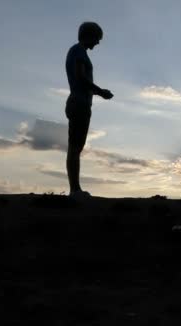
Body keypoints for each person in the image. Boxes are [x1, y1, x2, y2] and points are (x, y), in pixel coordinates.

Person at [65, 22, 113, 197]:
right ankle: (75, 190)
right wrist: (101, 92)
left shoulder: (79, 52)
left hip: (80, 103)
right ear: (89, 35)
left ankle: (75, 188)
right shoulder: (78, 51)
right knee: (75, 147)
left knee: (76, 147)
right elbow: (80, 77)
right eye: (97, 38)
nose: (98, 43)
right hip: (79, 103)